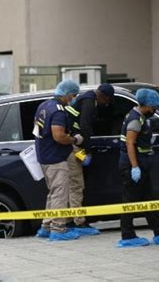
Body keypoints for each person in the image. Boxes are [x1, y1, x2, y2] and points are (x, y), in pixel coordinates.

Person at [117, 88, 159, 247]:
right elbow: (130, 144)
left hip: (142, 165)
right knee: (130, 202)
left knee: (148, 200)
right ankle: (127, 236)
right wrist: (134, 167)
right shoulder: (135, 120)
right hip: (132, 166)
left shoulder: (141, 117)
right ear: (146, 105)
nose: (155, 110)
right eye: (154, 107)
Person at [34, 80, 84, 241]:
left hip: (44, 155)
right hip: (55, 158)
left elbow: (37, 131)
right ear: (68, 94)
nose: (74, 98)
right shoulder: (58, 111)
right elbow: (58, 136)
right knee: (60, 194)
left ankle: (46, 226)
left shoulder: (44, 106)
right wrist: (74, 140)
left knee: (54, 193)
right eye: (74, 95)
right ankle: (58, 229)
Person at [64, 83, 115, 235]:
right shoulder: (89, 102)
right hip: (74, 145)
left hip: (72, 143)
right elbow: (84, 126)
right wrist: (87, 150)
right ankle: (78, 223)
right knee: (76, 185)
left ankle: (70, 220)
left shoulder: (86, 98)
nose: (106, 104)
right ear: (103, 96)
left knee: (72, 186)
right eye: (107, 101)